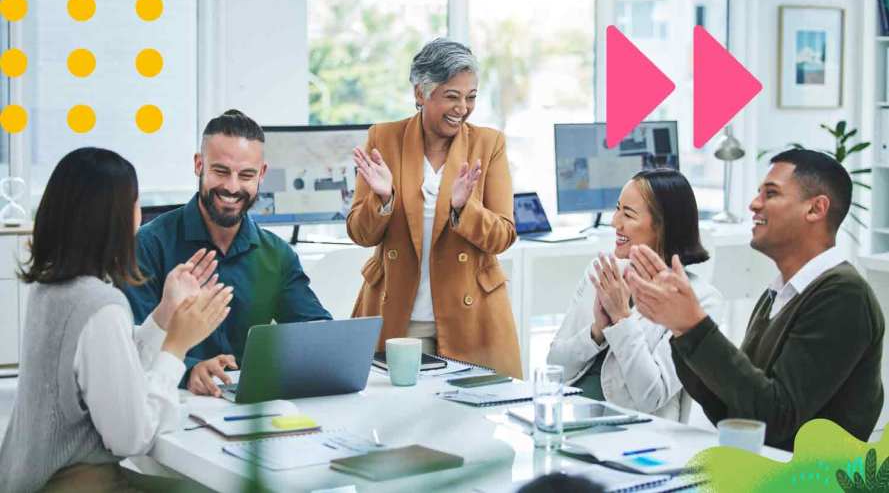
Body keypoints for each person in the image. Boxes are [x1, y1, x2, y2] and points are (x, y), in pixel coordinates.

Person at [0, 147, 232, 492]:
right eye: (136, 204)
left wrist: (165, 313)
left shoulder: (51, 288)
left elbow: (110, 372)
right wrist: (177, 347)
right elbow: (131, 438)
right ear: (115, 218)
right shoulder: (100, 305)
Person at [626, 149, 884, 450]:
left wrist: (694, 325)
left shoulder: (844, 295)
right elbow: (735, 411)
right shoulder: (776, 296)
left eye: (770, 193)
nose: (754, 204)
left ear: (815, 209)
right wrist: (682, 330)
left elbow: (774, 420)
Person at [124, 109, 331, 397]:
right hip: (171, 402)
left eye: (246, 175)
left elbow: (316, 332)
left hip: (250, 405)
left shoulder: (278, 254)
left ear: (262, 174)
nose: (232, 187)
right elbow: (131, 343)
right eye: (221, 171)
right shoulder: (148, 245)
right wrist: (190, 368)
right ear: (199, 165)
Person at [347, 38, 521, 377]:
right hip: (400, 317)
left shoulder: (490, 143)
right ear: (420, 94)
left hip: (472, 317)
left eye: (471, 97)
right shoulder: (383, 139)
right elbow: (360, 233)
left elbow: (503, 236)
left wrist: (463, 208)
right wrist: (382, 199)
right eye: (451, 96)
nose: (462, 108)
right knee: (394, 420)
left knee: (469, 424)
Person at [548, 169, 722, 420]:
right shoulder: (603, 273)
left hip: (636, 437)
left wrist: (620, 319)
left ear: (663, 226)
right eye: (618, 209)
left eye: (628, 214)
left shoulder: (701, 301)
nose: (614, 222)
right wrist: (596, 332)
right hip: (572, 422)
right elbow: (556, 368)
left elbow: (652, 394)